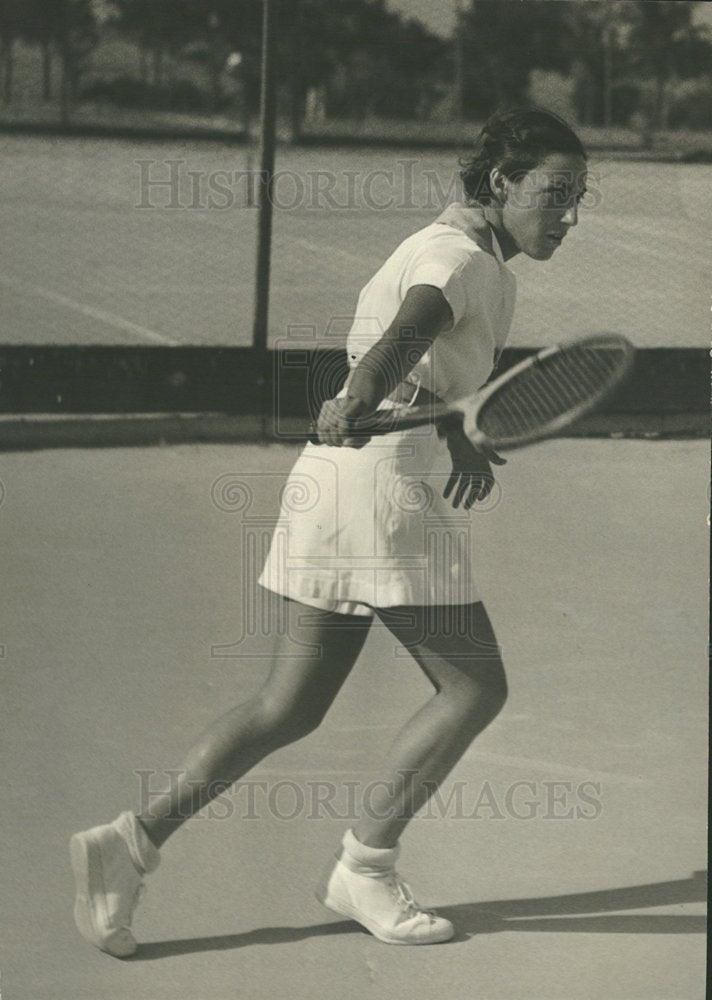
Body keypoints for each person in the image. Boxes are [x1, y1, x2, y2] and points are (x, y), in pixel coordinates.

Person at [70, 106, 588, 955]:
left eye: (579, 197)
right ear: (502, 183)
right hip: (382, 492)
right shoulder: (454, 254)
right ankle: (366, 867)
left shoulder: (475, 254)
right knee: (474, 688)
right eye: (555, 193)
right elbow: (406, 333)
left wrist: (454, 432)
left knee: (289, 706)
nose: (568, 215)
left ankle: (130, 843)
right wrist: (357, 397)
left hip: (339, 484)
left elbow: (430, 364)